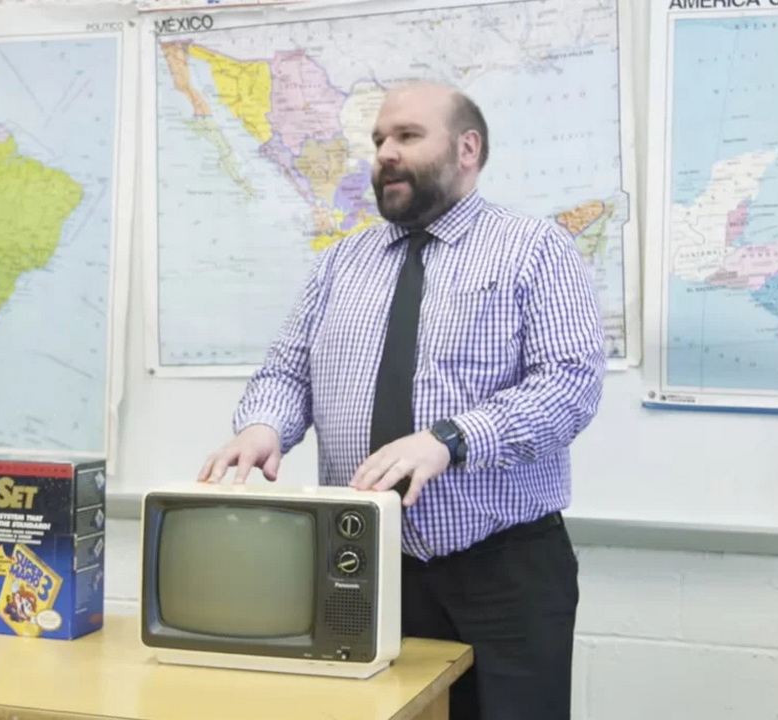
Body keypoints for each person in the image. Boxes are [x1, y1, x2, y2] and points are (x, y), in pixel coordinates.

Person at [196, 79, 606, 720]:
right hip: (366, 568)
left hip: (502, 573)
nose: (385, 152)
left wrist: (450, 440)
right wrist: (263, 427)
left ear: (467, 149)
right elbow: (287, 373)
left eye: (408, 136)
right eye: (380, 139)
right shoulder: (340, 262)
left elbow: (569, 384)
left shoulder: (534, 250)